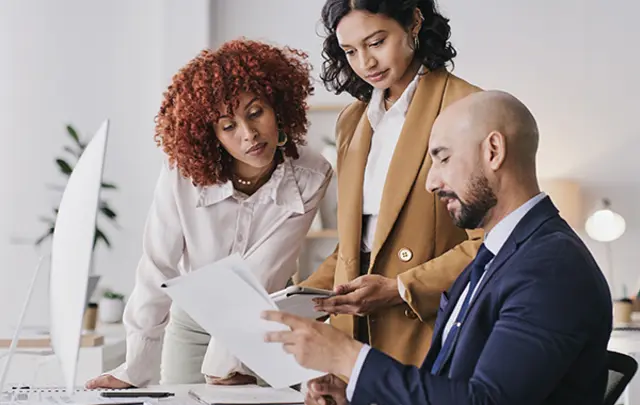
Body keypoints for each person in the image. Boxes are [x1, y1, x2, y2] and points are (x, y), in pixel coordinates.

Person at [263, 90, 613, 405]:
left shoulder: (549, 269)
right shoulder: (497, 255)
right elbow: (449, 389)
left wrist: (347, 358)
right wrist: (354, 391)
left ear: (493, 151)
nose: (432, 182)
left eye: (442, 159)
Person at [85, 39, 333, 389]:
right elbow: (159, 264)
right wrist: (135, 366)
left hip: (267, 317)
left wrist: (227, 361)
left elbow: (267, 270)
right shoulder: (182, 173)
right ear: (210, 134)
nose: (249, 135)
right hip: (192, 321)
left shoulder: (311, 173)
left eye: (255, 112)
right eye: (228, 126)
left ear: (277, 105)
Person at [300, 0, 482, 375]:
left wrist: (401, 287)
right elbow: (356, 246)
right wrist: (294, 302)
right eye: (350, 51)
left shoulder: (467, 107)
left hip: (429, 330)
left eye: (376, 42)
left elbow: (492, 243)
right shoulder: (352, 121)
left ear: (414, 22)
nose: (366, 63)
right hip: (355, 335)